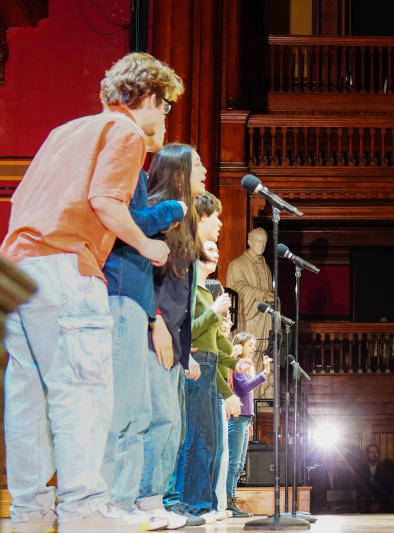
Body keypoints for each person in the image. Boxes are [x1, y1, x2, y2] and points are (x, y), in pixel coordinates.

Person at [2, 52, 182, 533]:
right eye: (164, 106)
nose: (164, 116)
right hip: (65, 264)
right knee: (81, 392)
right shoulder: (124, 132)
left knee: (28, 398)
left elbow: (21, 199)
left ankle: (31, 513)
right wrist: (147, 244)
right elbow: (104, 199)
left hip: (13, 268)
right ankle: (83, 510)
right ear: (146, 96)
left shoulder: (63, 132)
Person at [97, 114, 187, 533]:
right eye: (163, 109)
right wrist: (171, 211)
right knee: (122, 411)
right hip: (119, 292)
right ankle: (110, 501)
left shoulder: (133, 165)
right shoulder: (124, 158)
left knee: (138, 411)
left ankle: (123, 501)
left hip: (135, 299)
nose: (166, 120)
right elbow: (126, 223)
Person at [137, 144, 212, 528]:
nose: (204, 169)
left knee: (173, 425)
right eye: (197, 164)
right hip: (153, 332)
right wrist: (157, 322)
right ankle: (144, 500)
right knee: (159, 419)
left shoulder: (187, 219)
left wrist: (184, 350)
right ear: (178, 171)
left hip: (174, 341)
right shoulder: (157, 213)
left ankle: (154, 499)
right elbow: (142, 274)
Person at [177, 234, 252, 522]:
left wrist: (236, 362)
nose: (217, 252)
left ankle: (204, 504)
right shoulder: (191, 292)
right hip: (196, 366)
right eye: (210, 248)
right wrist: (213, 312)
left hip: (208, 364)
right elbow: (190, 331)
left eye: (217, 248)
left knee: (209, 442)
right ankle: (189, 503)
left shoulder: (206, 294)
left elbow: (215, 344)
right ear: (195, 254)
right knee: (195, 439)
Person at [227, 332, 273, 517]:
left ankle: (231, 499)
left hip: (245, 418)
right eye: (250, 345)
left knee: (239, 465)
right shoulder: (237, 365)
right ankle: (228, 501)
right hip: (238, 417)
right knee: (234, 462)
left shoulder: (245, 367)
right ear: (240, 345)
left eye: (254, 344)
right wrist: (265, 373)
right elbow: (245, 388)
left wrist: (250, 419)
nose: (253, 348)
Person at [226, 227, 276, 399]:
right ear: (249, 242)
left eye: (264, 242)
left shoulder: (267, 268)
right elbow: (237, 288)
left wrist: (270, 298)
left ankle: (260, 389)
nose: (261, 245)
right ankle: (249, 391)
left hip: (264, 316)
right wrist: (261, 294)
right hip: (248, 316)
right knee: (249, 350)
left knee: (263, 349)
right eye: (258, 241)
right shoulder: (238, 264)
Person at [355, 444, 394, 514]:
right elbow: (358, 489)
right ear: (367, 454)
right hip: (364, 507)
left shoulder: (386, 469)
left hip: (383, 508)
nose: (374, 454)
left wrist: (379, 504)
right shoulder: (359, 470)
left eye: (376, 452)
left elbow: (389, 489)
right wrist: (368, 505)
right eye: (371, 452)